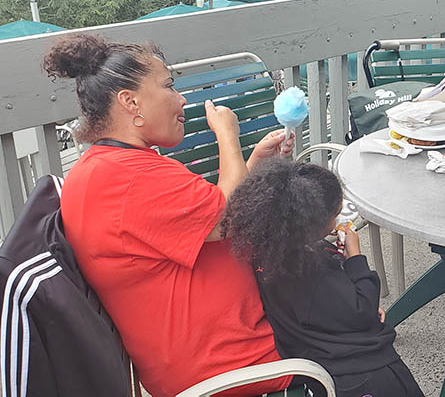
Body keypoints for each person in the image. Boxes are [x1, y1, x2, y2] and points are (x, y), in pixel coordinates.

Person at [49, 35, 296, 397]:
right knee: (359, 339)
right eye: (168, 86)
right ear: (130, 102)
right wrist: (227, 134)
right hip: (233, 366)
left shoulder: (108, 167)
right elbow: (231, 217)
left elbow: (203, 215)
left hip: (214, 353)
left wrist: (254, 162)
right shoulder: (128, 179)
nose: (181, 99)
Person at [222, 159, 423, 397]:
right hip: (359, 373)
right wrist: (355, 258)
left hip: (312, 356)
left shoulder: (269, 254)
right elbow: (362, 311)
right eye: (335, 215)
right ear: (313, 225)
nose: (337, 221)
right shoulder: (312, 271)